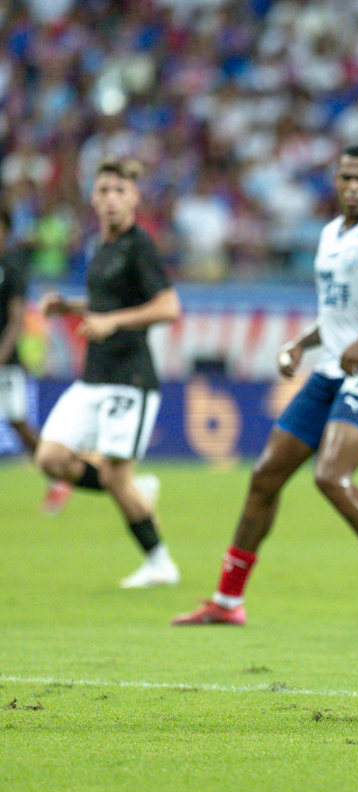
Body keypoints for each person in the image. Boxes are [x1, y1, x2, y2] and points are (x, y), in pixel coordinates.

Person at [173, 144, 358, 629]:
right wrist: (301, 344)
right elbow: (339, 316)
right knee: (265, 476)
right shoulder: (329, 235)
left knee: (331, 476)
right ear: (335, 181)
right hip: (332, 369)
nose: (353, 186)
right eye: (346, 178)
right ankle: (227, 601)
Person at [36, 158, 182, 587]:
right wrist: (71, 307)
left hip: (130, 378)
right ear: (93, 198)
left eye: (120, 190)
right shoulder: (100, 248)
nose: (112, 199)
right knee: (51, 458)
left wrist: (112, 322)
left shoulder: (141, 246)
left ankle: (159, 563)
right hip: (92, 377)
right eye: (104, 190)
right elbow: (105, 306)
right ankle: (139, 492)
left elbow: (169, 307)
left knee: (116, 477)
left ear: (134, 197)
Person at [0, 206, 75, 513]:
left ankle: (58, 473)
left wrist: (3, 354)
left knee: (18, 423)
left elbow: (17, 317)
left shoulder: (11, 267)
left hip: (7, 361)